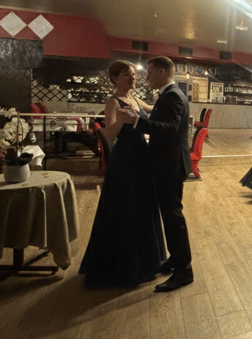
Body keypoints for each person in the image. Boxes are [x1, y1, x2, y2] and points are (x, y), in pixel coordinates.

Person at [79, 60, 166, 288]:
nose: (132, 78)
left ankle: (146, 260)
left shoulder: (136, 100)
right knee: (125, 207)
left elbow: (156, 108)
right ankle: (125, 265)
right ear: (115, 78)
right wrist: (120, 121)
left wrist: (170, 93)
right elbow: (107, 133)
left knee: (143, 206)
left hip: (142, 158)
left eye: (133, 75)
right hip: (125, 160)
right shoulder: (112, 102)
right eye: (127, 75)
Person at [118, 56, 193, 292]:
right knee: (171, 216)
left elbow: (170, 130)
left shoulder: (172, 96)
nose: (146, 77)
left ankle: (184, 271)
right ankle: (176, 259)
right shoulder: (169, 94)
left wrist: (137, 121)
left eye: (149, 72)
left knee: (173, 218)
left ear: (161, 73)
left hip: (169, 165)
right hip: (167, 164)